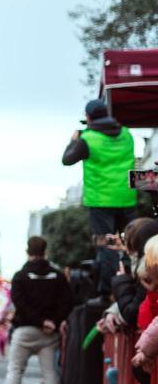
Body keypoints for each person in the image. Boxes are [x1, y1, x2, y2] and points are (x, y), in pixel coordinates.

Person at [0, 236, 74, 384]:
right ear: (45, 251)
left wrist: (40, 320)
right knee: (50, 373)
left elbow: (20, 305)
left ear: (28, 251)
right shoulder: (58, 276)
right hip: (49, 334)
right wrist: (53, 321)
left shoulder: (20, 276)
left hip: (25, 330)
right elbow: (67, 302)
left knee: (15, 370)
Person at [63, 98, 138, 296]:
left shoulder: (87, 139)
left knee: (107, 247)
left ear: (88, 118)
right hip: (127, 198)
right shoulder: (127, 135)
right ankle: (135, 282)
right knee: (131, 242)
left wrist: (75, 139)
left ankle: (108, 291)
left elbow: (67, 159)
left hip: (101, 202)